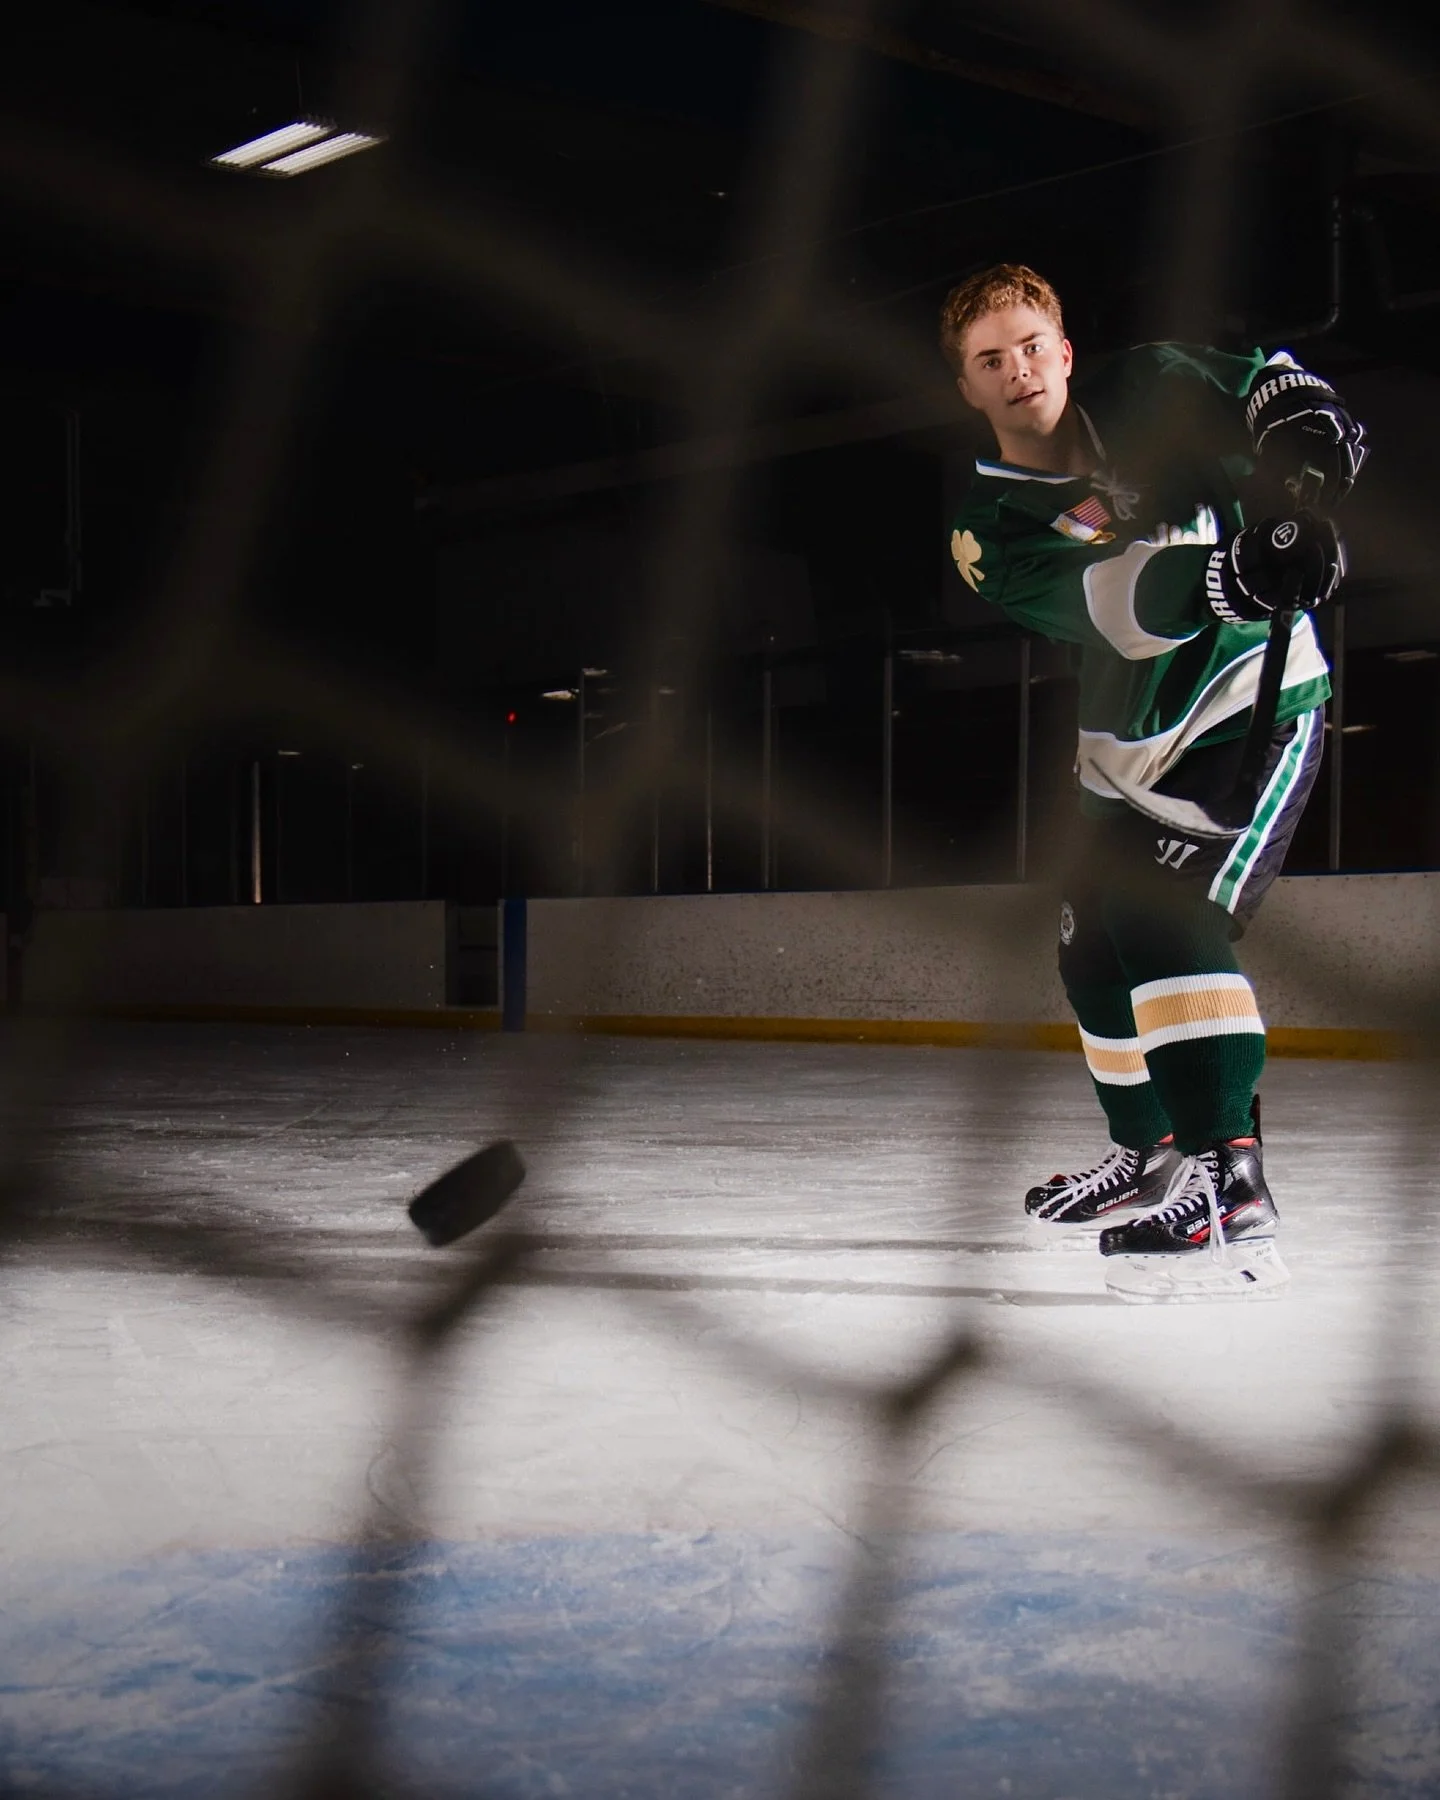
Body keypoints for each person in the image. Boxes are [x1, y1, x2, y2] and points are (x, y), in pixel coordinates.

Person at [939, 263, 1367, 1301]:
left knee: (1167, 918)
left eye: (1031, 345)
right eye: (990, 360)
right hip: (1121, 751)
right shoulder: (986, 528)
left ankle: (1232, 1181)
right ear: (967, 387)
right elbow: (1107, 602)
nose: (1018, 370)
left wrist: (1306, 432)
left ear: (1066, 350)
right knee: (1093, 958)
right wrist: (1230, 573)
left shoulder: (1155, 382)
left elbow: (1269, 382)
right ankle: (1154, 1154)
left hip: (1246, 716)